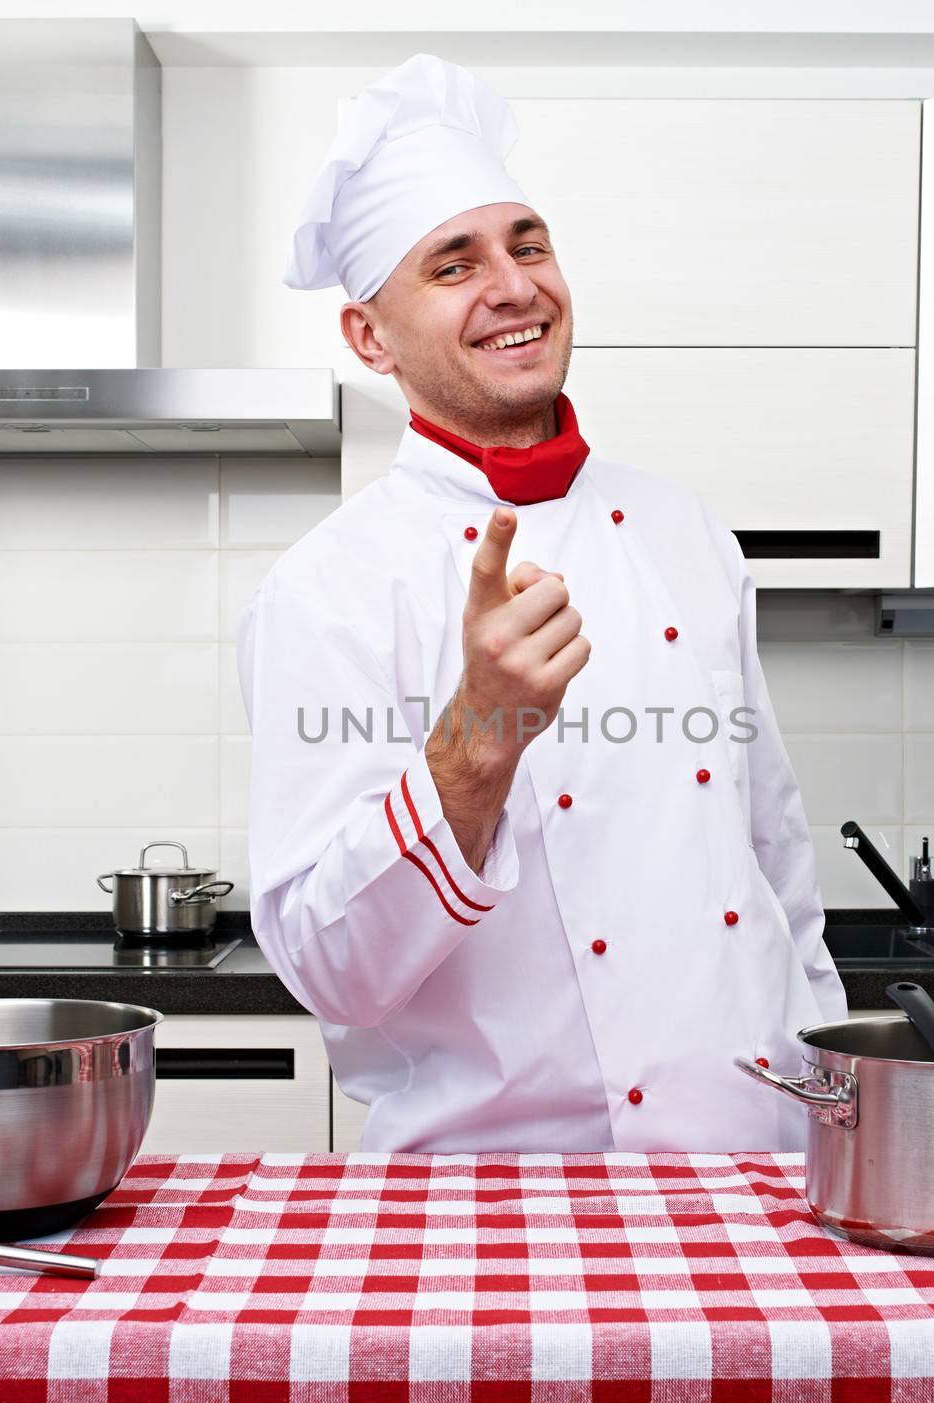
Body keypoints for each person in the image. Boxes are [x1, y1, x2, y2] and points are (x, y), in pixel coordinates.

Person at [236, 54, 846, 1154]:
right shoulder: (329, 588)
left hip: (763, 1162)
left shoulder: (683, 530)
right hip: (494, 1196)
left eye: (527, 245)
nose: (513, 285)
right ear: (371, 338)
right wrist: (475, 747)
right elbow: (332, 970)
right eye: (452, 265)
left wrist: (833, 1073)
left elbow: (772, 850)